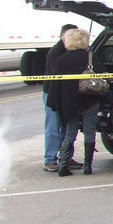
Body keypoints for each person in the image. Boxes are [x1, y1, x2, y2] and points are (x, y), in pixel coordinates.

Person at [49, 28, 101, 177]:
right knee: (90, 132)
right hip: (90, 100)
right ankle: (88, 167)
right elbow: (104, 74)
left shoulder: (61, 60)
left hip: (69, 103)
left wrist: (54, 103)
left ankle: (63, 166)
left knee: (70, 133)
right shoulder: (91, 57)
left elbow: (55, 84)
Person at [42, 23, 79, 172]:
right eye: (74, 35)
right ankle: (50, 159)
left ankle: (66, 157)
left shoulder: (70, 51)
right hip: (53, 94)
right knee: (53, 127)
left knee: (67, 128)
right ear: (64, 36)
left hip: (65, 95)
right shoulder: (56, 52)